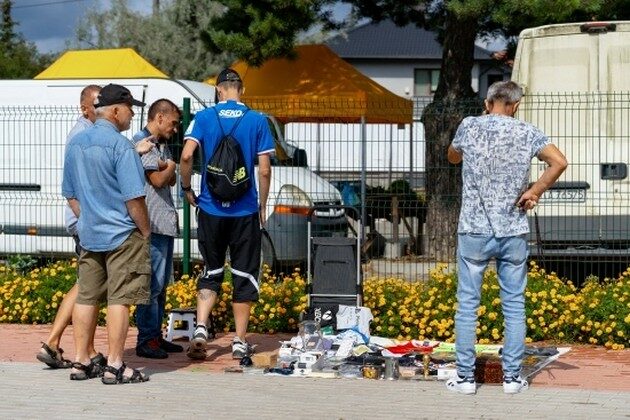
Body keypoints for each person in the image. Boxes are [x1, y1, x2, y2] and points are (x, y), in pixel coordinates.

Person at [445, 81, 567, 395]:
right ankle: (512, 379)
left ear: (488, 103)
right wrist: (534, 191)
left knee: (467, 306)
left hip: (473, 228)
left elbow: (452, 157)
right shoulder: (527, 131)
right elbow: (559, 162)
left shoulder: (469, 126)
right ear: (515, 105)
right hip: (513, 229)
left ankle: (465, 379)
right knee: (513, 305)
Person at [179, 68, 274, 360]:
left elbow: (185, 155)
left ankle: (201, 329)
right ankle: (238, 340)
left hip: (210, 208)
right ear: (240, 91)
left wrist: (186, 188)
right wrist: (262, 205)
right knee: (243, 273)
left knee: (212, 270)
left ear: (219, 90)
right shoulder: (258, 120)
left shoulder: (204, 118)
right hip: (245, 211)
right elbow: (266, 169)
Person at [62, 83, 151, 384]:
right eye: (129, 109)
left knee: (86, 297)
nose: (131, 115)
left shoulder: (76, 143)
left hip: (90, 233)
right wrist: (145, 231)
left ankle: (80, 361)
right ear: (115, 111)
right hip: (122, 234)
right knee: (119, 299)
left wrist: (88, 218)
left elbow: (70, 194)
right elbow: (134, 198)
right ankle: (115, 365)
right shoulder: (120, 146)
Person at [133, 99, 183, 359]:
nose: (175, 129)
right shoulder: (145, 143)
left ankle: (155, 336)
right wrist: (170, 166)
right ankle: (146, 339)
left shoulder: (161, 145)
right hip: (151, 224)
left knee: (161, 285)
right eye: (173, 123)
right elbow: (159, 178)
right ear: (160, 118)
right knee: (151, 285)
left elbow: (170, 179)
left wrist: (168, 169)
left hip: (163, 224)